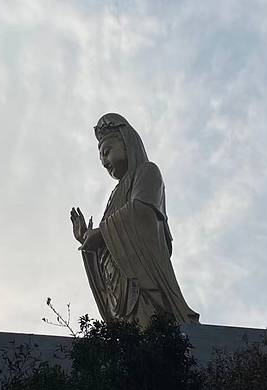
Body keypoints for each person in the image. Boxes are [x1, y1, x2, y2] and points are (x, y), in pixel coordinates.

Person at [70, 113, 199, 327]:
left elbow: (142, 212)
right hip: (118, 288)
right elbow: (111, 240)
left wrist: (101, 233)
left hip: (143, 279)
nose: (105, 163)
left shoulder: (147, 172)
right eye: (101, 160)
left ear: (126, 143)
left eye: (107, 152)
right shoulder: (114, 195)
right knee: (129, 334)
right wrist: (87, 239)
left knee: (154, 329)